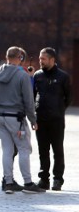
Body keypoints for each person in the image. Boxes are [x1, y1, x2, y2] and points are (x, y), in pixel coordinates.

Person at [0, 46, 44, 194]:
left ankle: (8, 182)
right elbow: (29, 100)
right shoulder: (22, 75)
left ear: (6, 57)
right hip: (16, 118)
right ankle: (28, 182)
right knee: (24, 149)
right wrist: (33, 119)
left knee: (7, 150)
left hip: (0, 117)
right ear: (19, 57)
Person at [34, 47, 72, 191]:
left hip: (56, 120)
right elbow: (32, 96)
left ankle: (58, 179)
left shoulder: (63, 77)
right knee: (42, 150)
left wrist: (59, 110)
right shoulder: (37, 76)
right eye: (39, 58)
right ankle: (44, 179)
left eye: (43, 59)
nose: (40, 61)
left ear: (52, 60)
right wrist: (34, 115)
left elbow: (69, 97)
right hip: (41, 120)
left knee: (57, 150)